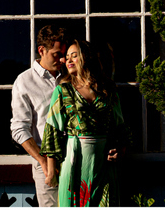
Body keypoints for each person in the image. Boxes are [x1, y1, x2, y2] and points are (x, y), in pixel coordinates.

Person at [40, 40, 130, 207]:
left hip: (104, 163)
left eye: (74, 56)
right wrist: (51, 171)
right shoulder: (63, 91)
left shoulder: (108, 89)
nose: (68, 61)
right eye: (67, 57)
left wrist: (121, 151)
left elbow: (120, 127)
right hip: (74, 160)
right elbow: (53, 130)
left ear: (87, 58)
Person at [11, 26, 67, 207]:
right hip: (46, 165)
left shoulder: (71, 76)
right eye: (56, 54)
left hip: (76, 159)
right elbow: (19, 129)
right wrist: (42, 161)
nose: (62, 59)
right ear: (41, 50)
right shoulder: (25, 81)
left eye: (63, 54)